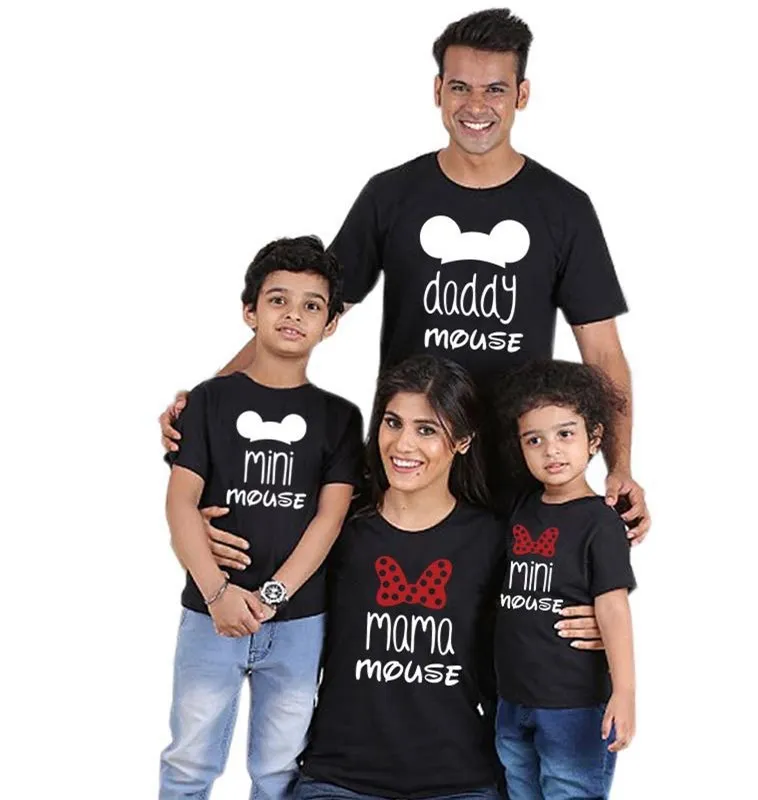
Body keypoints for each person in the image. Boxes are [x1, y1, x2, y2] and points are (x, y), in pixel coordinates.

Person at [159, 8, 647, 641]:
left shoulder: (563, 209)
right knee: (380, 627)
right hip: (404, 460)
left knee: (505, 644)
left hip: (514, 468)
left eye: (496, 88)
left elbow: (602, 352)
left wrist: (619, 466)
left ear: (522, 95)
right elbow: (305, 312)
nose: (477, 105)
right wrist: (212, 401)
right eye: (460, 87)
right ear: (437, 91)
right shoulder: (393, 195)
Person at [159, 236, 363, 800]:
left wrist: (273, 596)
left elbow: (329, 519)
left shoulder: (340, 418)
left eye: (311, 305)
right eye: (278, 300)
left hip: (298, 621)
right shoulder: (208, 401)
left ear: (330, 324)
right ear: (250, 312)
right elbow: (181, 502)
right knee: (189, 760)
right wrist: (218, 592)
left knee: (279, 767)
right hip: (208, 614)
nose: (293, 314)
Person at [296, 355, 505, 800]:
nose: (402, 444)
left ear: (463, 440)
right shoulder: (337, 527)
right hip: (339, 779)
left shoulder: (491, 538)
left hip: (459, 782)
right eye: (393, 423)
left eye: (426, 430)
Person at [493, 360, 636, 800]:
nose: (551, 451)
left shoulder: (600, 522)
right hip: (512, 701)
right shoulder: (521, 509)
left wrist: (625, 692)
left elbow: (613, 607)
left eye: (565, 434)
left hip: (574, 706)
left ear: (594, 438)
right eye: (534, 440)